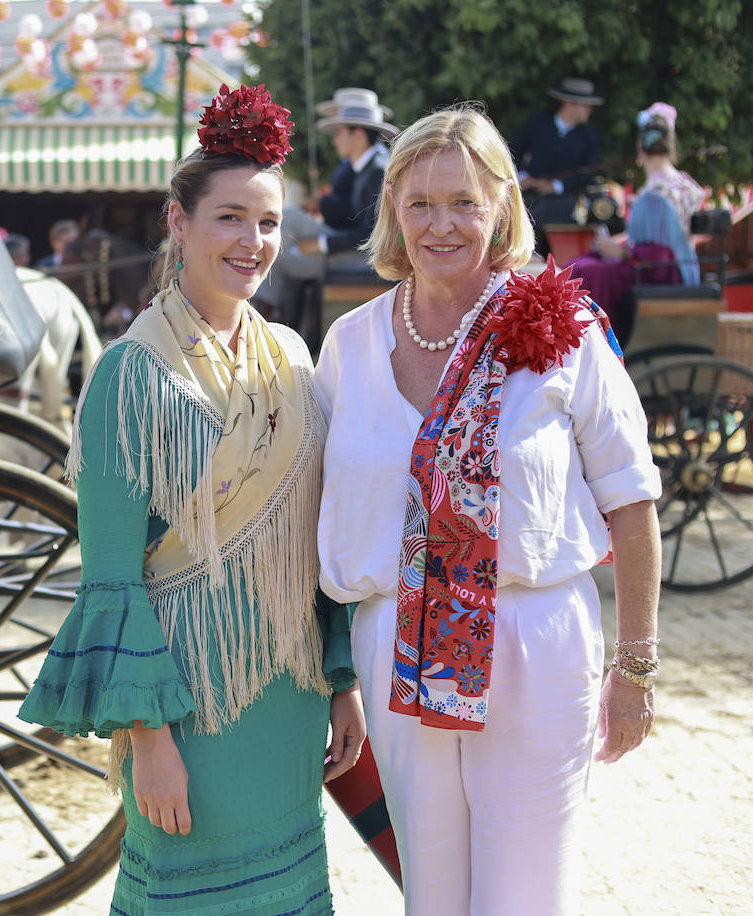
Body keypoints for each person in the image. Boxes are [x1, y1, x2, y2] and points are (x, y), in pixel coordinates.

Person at [18, 83, 364, 913]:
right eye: (230, 218)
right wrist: (150, 743)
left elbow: (313, 537)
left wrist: (342, 680)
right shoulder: (127, 379)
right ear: (179, 223)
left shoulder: (292, 358)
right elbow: (109, 580)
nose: (254, 242)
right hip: (187, 710)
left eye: (270, 222)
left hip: (288, 698)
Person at [315, 105, 662, 913]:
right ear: (392, 207)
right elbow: (316, 515)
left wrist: (637, 664)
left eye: (465, 201)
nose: (442, 224)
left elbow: (632, 496)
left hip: (535, 642)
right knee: (430, 896)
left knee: (523, 898)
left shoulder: (564, 329)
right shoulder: (350, 346)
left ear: (502, 202)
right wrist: (335, 675)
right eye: (421, 203)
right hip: (397, 643)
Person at [259, 87, 397, 332]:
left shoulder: (377, 171)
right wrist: (322, 205)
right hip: (348, 251)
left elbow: (368, 234)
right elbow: (345, 213)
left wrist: (320, 244)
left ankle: (262, 319)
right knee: (284, 250)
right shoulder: (359, 167)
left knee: (284, 245)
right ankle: (270, 321)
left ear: (359, 135)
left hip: (363, 258)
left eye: (340, 132)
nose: (334, 139)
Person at [567, 103, 707, 342]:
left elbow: (658, 253)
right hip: (679, 269)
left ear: (641, 148)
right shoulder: (687, 184)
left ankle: (599, 341)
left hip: (660, 272)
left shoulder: (655, 192)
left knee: (585, 270)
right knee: (588, 263)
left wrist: (620, 252)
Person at [510, 77, 604, 254]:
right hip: (530, 193)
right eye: (585, 105)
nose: (589, 110)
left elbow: (587, 173)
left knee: (538, 213)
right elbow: (511, 152)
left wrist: (555, 186)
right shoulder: (537, 124)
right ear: (569, 103)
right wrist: (523, 177)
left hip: (567, 200)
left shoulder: (589, 136)